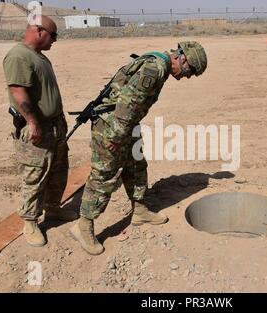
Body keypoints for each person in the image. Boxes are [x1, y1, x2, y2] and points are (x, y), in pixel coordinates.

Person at [70, 41, 207, 255]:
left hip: (126, 125)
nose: (188, 76)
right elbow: (127, 104)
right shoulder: (155, 69)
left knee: (136, 164)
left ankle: (140, 210)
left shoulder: (159, 66)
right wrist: (116, 137)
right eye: (191, 71)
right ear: (183, 58)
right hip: (112, 125)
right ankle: (84, 225)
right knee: (104, 174)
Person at [3, 15, 76, 247]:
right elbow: (18, 92)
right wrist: (33, 123)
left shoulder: (39, 57)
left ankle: (53, 209)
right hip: (38, 128)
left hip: (54, 126)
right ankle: (30, 222)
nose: (55, 40)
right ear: (38, 31)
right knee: (35, 175)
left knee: (57, 170)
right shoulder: (19, 56)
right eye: (53, 35)